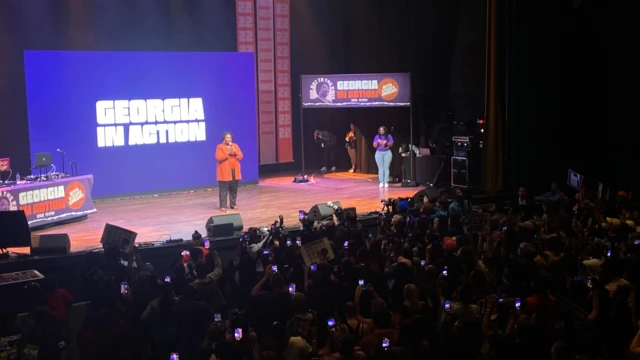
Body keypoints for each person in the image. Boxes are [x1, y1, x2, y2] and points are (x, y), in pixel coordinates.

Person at [215, 132, 243, 211]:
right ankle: (223, 206)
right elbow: (218, 158)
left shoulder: (235, 146)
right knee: (223, 190)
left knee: (233, 189)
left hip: (234, 170)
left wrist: (235, 152)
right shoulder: (220, 147)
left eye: (230, 137)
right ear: (224, 139)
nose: (229, 139)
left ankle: (233, 204)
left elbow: (240, 156)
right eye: (227, 137)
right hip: (225, 171)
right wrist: (227, 152)